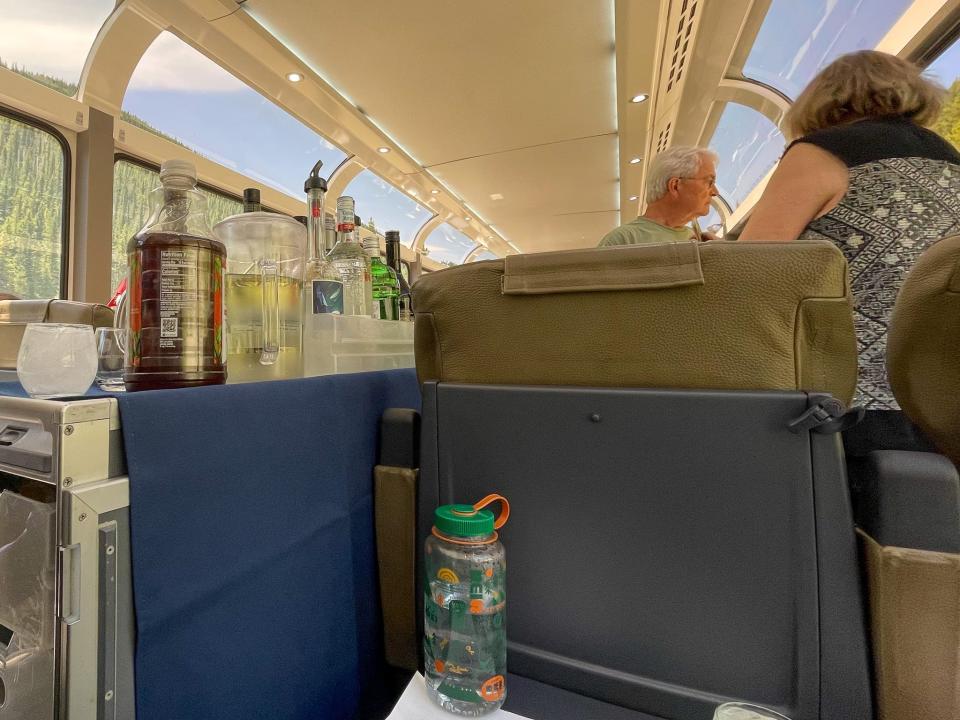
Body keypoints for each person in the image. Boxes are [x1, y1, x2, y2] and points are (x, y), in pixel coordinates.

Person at [740, 50, 960, 419]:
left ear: (824, 98)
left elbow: (748, 267)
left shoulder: (822, 152)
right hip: (941, 391)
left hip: (852, 394)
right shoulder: (950, 160)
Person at [599, 146, 719, 247]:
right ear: (675, 185)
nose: (715, 192)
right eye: (709, 182)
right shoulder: (622, 241)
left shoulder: (701, 241)